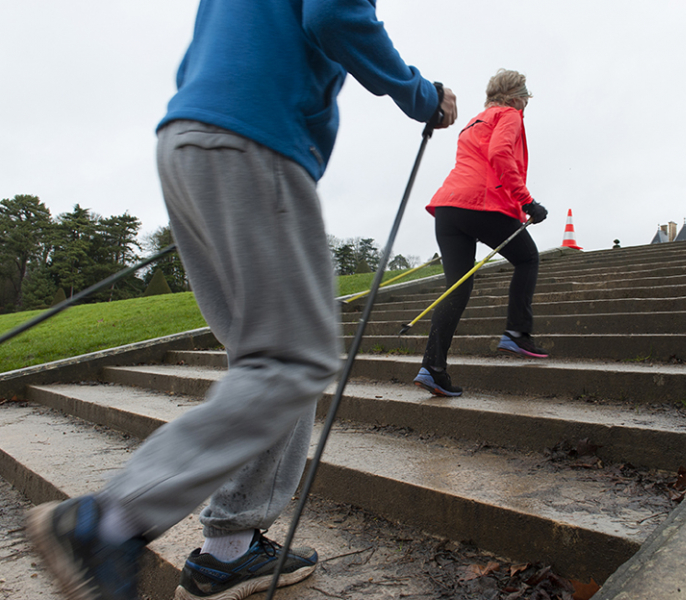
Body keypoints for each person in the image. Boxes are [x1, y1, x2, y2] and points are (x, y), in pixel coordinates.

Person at [26, 2, 457, 599]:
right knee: (293, 359)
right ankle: (109, 522)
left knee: (265, 363)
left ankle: (228, 550)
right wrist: (422, 95)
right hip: (253, 138)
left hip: (189, 136)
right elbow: (335, 14)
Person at [413, 69, 547, 398]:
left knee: (457, 288)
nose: (527, 103)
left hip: (448, 208)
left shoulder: (474, 121)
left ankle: (433, 368)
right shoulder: (510, 115)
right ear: (516, 96)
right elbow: (500, 154)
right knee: (528, 258)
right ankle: (517, 331)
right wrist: (527, 202)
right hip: (481, 205)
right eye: (526, 96)